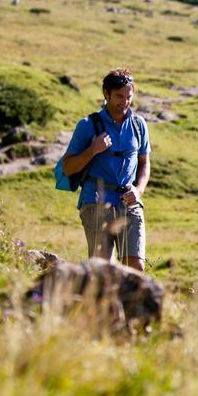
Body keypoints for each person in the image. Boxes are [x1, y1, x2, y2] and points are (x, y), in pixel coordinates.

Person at [61, 68, 151, 271]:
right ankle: (101, 303)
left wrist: (138, 190)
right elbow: (67, 167)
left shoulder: (139, 125)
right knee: (102, 269)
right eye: (119, 96)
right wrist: (93, 149)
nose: (124, 102)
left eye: (128, 97)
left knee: (136, 268)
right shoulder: (87, 125)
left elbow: (145, 163)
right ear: (106, 93)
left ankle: (129, 303)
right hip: (95, 203)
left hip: (129, 203)